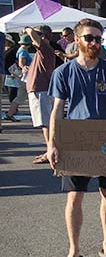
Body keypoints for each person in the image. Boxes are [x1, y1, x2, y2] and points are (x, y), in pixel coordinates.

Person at [46, 18, 106, 257]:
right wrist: (53, 144)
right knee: (75, 196)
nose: (94, 42)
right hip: (75, 140)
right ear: (77, 40)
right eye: (89, 38)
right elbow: (57, 111)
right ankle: (74, 250)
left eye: (98, 38)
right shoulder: (63, 72)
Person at [23, 25, 57, 165]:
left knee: (46, 124)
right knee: (45, 123)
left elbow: (34, 36)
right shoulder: (43, 51)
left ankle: (50, 151)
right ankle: (49, 149)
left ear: (43, 36)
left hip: (41, 91)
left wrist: (28, 29)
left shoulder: (45, 49)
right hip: (39, 90)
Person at [2, 34, 22, 122]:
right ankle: (12, 109)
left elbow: (16, 61)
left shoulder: (13, 50)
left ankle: (13, 110)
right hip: (7, 72)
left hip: (12, 73)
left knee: (12, 92)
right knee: (10, 91)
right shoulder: (5, 50)